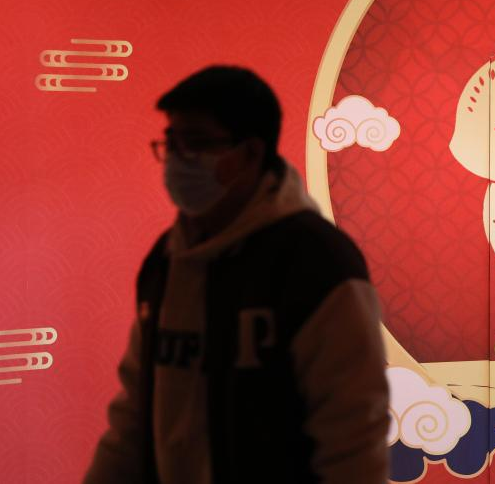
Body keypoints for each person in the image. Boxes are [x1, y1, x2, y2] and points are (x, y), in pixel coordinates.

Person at [84, 65, 389, 483]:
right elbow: (134, 417)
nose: (177, 160)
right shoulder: (167, 260)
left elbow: (352, 442)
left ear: (250, 153)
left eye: (197, 143)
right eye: (171, 143)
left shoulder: (318, 264)